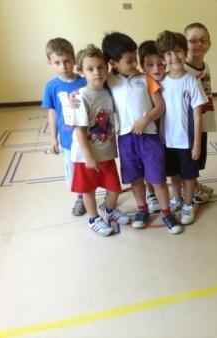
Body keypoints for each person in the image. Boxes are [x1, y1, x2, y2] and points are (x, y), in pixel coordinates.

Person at [102, 32, 182, 234]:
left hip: (149, 138)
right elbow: (88, 85)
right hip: (126, 140)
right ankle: (142, 209)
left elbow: (160, 106)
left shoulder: (145, 79)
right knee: (135, 178)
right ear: (113, 62)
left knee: (157, 179)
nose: (134, 63)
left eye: (134, 58)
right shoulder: (109, 81)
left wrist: (146, 119)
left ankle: (166, 213)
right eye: (129, 61)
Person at [70, 44, 130, 237]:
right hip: (85, 156)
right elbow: (79, 131)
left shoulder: (107, 91)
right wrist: (88, 156)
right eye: (90, 68)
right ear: (81, 72)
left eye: (100, 67)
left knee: (114, 188)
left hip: (106, 153)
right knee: (88, 190)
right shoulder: (81, 97)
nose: (97, 72)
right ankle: (94, 218)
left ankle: (110, 210)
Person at [156, 30, 207, 225]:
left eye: (177, 51)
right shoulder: (160, 82)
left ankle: (187, 204)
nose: (174, 56)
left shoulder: (192, 82)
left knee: (189, 175)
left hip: (186, 141)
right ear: (163, 58)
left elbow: (197, 113)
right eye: (168, 53)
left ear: (185, 53)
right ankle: (176, 198)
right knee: (173, 174)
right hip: (166, 140)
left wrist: (196, 144)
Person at [42, 38, 87, 216]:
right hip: (68, 140)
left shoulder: (84, 82)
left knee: (92, 165)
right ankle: (80, 198)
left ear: (74, 60)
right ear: (50, 63)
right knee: (74, 169)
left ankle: (100, 192)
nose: (63, 66)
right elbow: (52, 112)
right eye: (57, 62)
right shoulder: (51, 86)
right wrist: (53, 137)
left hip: (88, 137)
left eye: (67, 61)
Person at [184, 23, 217, 204]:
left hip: (203, 119)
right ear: (184, 43)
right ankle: (188, 187)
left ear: (209, 45)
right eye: (193, 40)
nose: (198, 44)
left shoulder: (206, 65)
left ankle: (194, 184)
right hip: (188, 123)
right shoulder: (181, 70)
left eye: (203, 40)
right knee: (189, 157)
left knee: (198, 157)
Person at [137, 40, 167, 214]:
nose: (156, 68)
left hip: (166, 131)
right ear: (142, 66)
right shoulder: (143, 82)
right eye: (150, 65)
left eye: (160, 63)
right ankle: (151, 194)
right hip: (148, 132)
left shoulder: (170, 79)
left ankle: (176, 192)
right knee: (148, 165)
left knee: (162, 164)